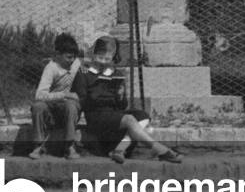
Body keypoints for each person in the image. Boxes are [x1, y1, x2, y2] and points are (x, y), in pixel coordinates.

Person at [71, 35, 182, 164]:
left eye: (107, 59)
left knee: (143, 116)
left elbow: (122, 106)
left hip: (113, 115)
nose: (103, 61)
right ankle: (161, 150)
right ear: (94, 55)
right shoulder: (84, 73)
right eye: (100, 57)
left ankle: (119, 149)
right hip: (96, 116)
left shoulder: (116, 74)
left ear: (113, 58)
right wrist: (98, 91)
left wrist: (121, 95)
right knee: (129, 120)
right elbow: (82, 101)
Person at [29, 32, 82, 160]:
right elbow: (39, 95)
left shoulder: (76, 64)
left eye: (74, 57)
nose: (71, 60)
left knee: (71, 104)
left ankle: (69, 146)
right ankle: (38, 145)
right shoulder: (51, 68)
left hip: (68, 110)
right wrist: (63, 94)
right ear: (58, 55)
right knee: (38, 106)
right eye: (68, 57)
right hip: (51, 109)